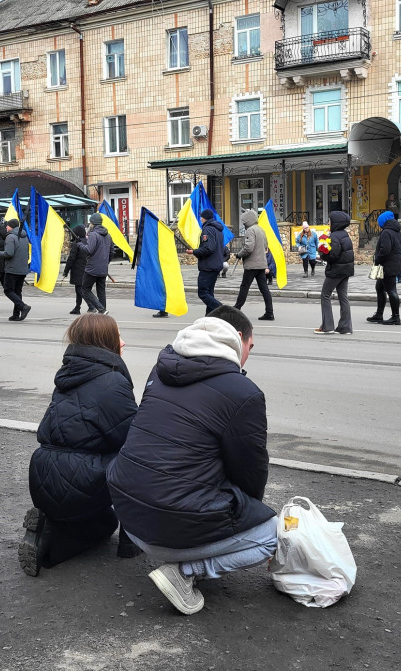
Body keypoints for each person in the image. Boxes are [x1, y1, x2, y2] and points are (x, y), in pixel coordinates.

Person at [107, 306, 276, 615]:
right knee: (276, 533)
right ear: (238, 339)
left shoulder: (161, 369)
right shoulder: (243, 393)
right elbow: (251, 473)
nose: (248, 355)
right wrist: (251, 518)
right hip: (165, 527)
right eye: (250, 347)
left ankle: (185, 548)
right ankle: (185, 573)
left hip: (128, 515)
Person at [20, 313, 140, 576]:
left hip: (43, 474)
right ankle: (131, 544)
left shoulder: (69, 374)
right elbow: (134, 438)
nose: (124, 342)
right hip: (79, 478)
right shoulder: (112, 382)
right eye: (119, 336)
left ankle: (48, 532)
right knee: (138, 462)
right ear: (106, 340)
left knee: (105, 523)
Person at [314, 211, 355, 335]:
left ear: (336, 223)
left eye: (330, 221)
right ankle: (345, 327)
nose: (328, 223)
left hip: (336, 270)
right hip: (346, 270)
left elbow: (333, 255)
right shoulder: (345, 235)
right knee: (343, 297)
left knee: (325, 295)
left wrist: (322, 255)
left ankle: (328, 326)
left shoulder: (334, 237)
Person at [233, 209, 273, 321]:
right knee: (264, 289)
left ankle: (236, 309)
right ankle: (269, 312)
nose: (243, 222)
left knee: (244, 287)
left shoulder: (250, 230)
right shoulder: (261, 230)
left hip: (251, 264)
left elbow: (249, 248)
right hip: (261, 264)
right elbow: (266, 246)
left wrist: (239, 254)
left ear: (247, 219)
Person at [185, 209, 225, 315]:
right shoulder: (218, 230)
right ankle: (209, 318)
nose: (200, 219)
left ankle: (221, 308)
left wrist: (194, 251)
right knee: (209, 293)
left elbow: (209, 248)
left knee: (202, 293)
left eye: (201, 217)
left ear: (204, 218)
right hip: (216, 265)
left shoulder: (207, 230)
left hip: (208, 266)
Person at [367, 211, 401, 326]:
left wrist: (377, 259)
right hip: (393, 264)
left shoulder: (386, 232)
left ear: (383, 221)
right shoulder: (397, 232)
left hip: (387, 266)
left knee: (391, 290)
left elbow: (385, 250)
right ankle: (379, 314)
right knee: (379, 287)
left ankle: (396, 317)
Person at [0, 218, 31, 321]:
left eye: (7, 226)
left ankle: (23, 306)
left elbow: (9, 253)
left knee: (8, 290)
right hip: (23, 268)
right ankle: (16, 314)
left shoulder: (10, 237)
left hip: (12, 269)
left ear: (11, 226)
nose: (6, 227)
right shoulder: (24, 236)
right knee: (17, 291)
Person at [78, 213, 110, 314]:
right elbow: (112, 251)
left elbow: (89, 250)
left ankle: (101, 309)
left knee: (85, 289)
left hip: (92, 268)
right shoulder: (108, 235)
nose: (89, 225)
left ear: (93, 223)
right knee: (101, 291)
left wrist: (79, 245)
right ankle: (103, 314)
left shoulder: (93, 234)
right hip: (103, 268)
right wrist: (105, 261)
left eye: (90, 223)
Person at [63, 225, 88, 315]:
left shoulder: (76, 244)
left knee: (80, 290)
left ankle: (91, 306)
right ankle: (77, 307)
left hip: (78, 270)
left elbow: (71, 258)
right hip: (87, 269)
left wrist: (66, 271)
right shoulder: (88, 242)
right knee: (82, 289)